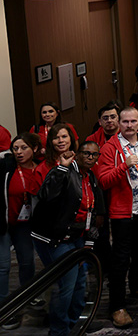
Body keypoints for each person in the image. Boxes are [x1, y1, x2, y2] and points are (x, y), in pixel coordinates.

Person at [32, 141, 105, 336]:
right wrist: (61, 168)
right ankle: (58, 331)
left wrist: (89, 242)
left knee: (81, 281)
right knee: (67, 283)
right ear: (78, 154)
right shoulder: (64, 172)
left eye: (94, 155)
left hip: (77, 235)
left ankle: (74, 323)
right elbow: (46, 195)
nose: (90, 157)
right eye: (86, 153)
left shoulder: (90, 177)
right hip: (54, 238)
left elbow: (92, 209)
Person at [96, 107, 138, 328]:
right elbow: (103, 180)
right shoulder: (109, 147)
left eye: (133, 121)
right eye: (125, 122)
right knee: (120, 259)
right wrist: (124, 166)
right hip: (123, 211)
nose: (129, 125)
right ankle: (117, 306)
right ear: (119, 124)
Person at [0, 133, 41, 329]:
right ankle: (3, 309)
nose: (18, 152)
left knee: (27, 262)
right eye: (15, 148)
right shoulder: (5, 167)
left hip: (24, 225)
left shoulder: (40, 168)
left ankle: (27, 296)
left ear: (34, 148)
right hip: (4, 225)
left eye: (23, 147)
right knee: (4, 267)